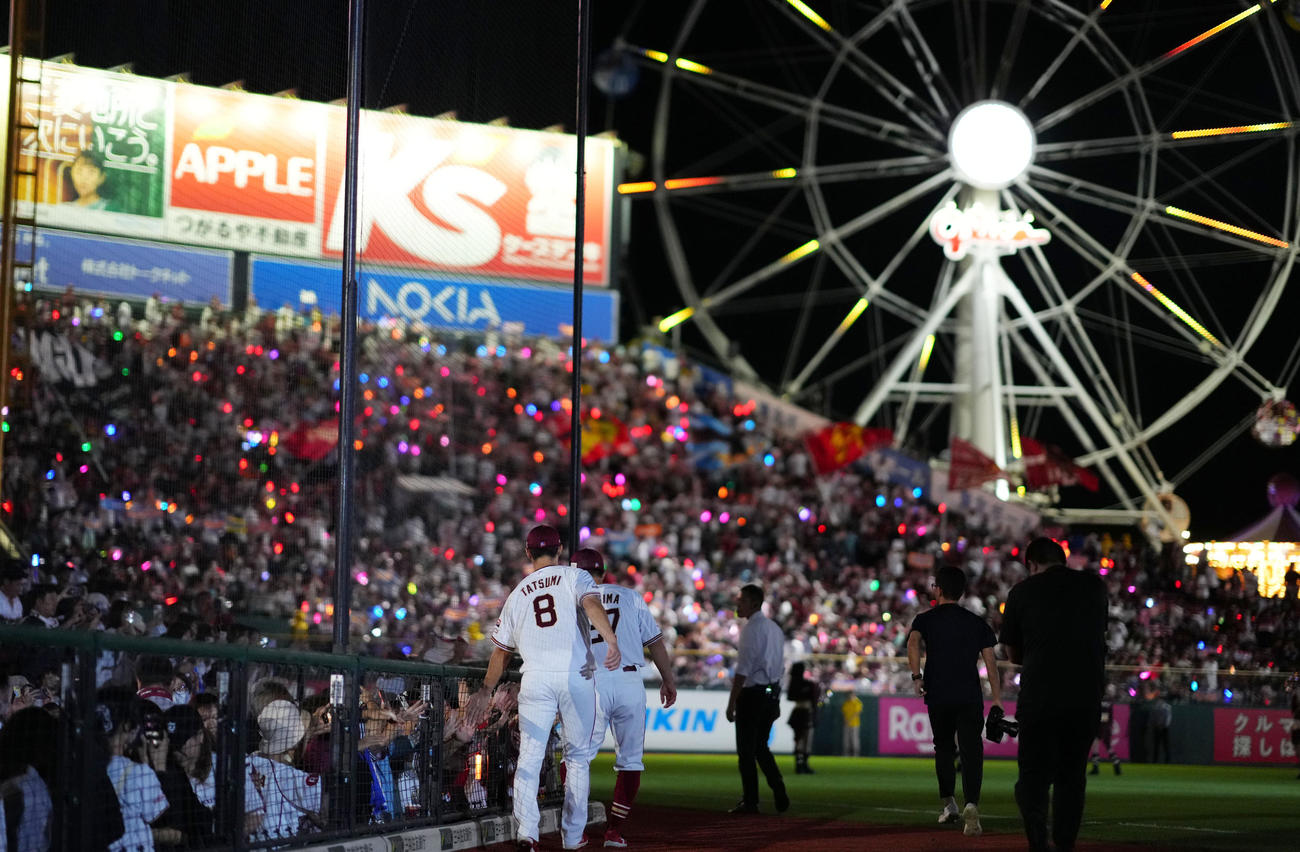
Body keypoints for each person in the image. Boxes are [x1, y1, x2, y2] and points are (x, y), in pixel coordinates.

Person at [466, 524, 621, 852]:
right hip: (575, 676)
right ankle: (573, 835)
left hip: (535, 679)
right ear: (561, 550)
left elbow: (500, 653)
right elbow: (592, 606)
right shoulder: (575, 577)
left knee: (529, 758)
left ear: (528, 553)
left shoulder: (517, 594)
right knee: (577, 758)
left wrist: (485, 690)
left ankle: (528, 835)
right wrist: (611, 639)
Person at [1000, 537, 1108, 852]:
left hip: (1040, 696)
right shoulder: (1095, 587)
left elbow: (1014, 653)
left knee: (1032, 778)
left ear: (1032, 564)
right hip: (1085, 697)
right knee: (1072, 778)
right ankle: (1065, 845)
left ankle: (1038, 841)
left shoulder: (1022, 591)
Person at [573, 547, 677, 849]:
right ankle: (614, 832)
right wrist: (668, 679)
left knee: (578, 758)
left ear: (575, 572)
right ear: (602, 573)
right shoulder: (629, 596)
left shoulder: (572, 599)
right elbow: (655, 643)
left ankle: (576, 830)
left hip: (590, 681)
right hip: (630, 680)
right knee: (631, 761)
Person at [907, 564, 1002, 837]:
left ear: (938, 589)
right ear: (962, 592)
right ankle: (972, 803)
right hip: (969, 695)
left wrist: (917, 676)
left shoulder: (925, 619)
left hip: (938, 693)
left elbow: (912, 643)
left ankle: (949, 804)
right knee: (972, 752)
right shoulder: (976, 623)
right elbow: (991, 664)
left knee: (944, 748)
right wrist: (996, 698)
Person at [725, 584, 789, 816]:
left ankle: (751, 801)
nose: (737, 604)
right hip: (772, 693)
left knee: (746, 750)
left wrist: (732, 702)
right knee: (761, 747)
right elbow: (779, 666)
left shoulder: (752, 629)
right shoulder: (775, 629)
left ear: (753, 603)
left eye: (741, 600)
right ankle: (778, 786)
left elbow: (743, 670)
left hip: (753, 695)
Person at [785, 662, 819, 774]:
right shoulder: (808, 684)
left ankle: (799, 764)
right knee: (805, 739)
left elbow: (790, 697)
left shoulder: (794, 684)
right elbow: (814, 700)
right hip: (805, 712)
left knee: (798, 739)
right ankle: (803, 764)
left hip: (797, 712)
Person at [1089, 695, 1122, 775]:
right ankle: (1116, 764)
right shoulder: (1107, 702)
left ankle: (1096, 767)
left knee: (1096, 745)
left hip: (1101, 726)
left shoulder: (1103, 702)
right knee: (1107, 746)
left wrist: (1100, 727)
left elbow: (1103, 716)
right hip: (1106, 726)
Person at [1148, 693, 1172, 764]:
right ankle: (1155, 760)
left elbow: (1168, 718)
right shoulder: (1155, 707)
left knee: (1165, 745)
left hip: (1164, 728)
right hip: (1157, 728)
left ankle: (1167, 760)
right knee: (1156, 745)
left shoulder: (1167, 707)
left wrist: (1165, 726)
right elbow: (1153, 718)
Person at [840, 691, 863, 757]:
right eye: (849, 695)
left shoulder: (857, 702)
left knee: (854, 740)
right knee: (846, 740)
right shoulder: (846, 703)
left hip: (854, 724)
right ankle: (845, 754)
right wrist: (846, 721)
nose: (850, 697)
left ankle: (855, 754)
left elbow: (857, 713)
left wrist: (849, 720)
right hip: (846, 724)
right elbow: (844, 712)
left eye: (851, 695)